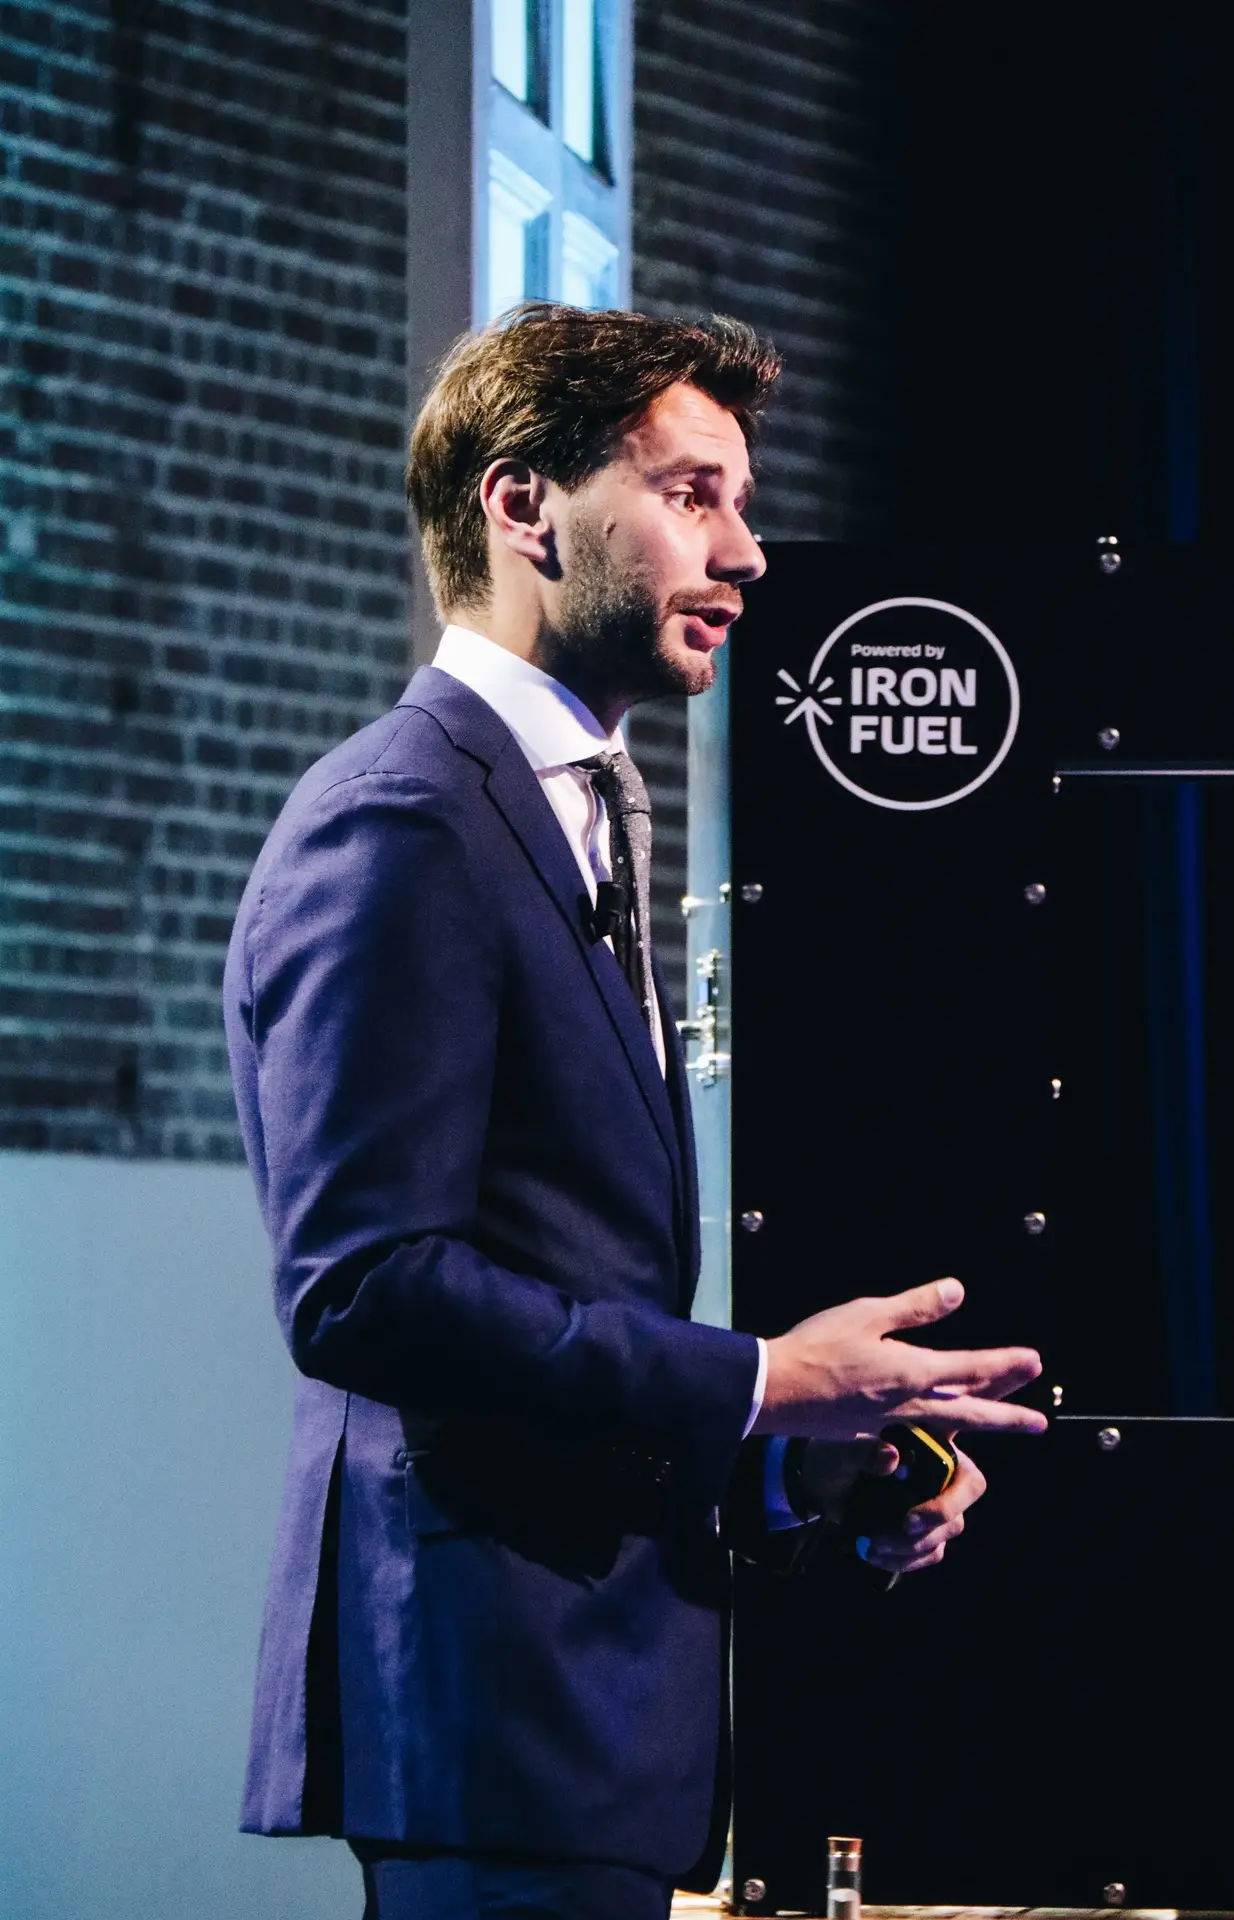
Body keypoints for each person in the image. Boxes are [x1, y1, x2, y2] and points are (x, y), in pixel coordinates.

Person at [223, 304, 1045, 1920]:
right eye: (690, 495)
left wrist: (797, 1456)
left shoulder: (572, 810)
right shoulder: (402, 821)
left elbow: (561, 1298)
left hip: (593, 1728)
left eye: (740, 501)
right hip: (492, 1716)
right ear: (522, 506)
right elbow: (364, 1286)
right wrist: (758, 1377)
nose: (745, 553)